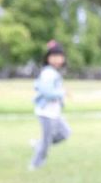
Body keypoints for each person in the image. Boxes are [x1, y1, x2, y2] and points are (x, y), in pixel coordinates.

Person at [29, 41, 70, 170]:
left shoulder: (53, 72)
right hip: (46, 112)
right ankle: (34, 165)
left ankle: (38, 144)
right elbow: (47, 92)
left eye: (59, 56)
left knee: (65, 132)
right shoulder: (48, 73)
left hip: (54, 112)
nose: (57, 59)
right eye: (54, 56)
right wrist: (62, 93)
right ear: (48, 58)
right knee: (47, 142)